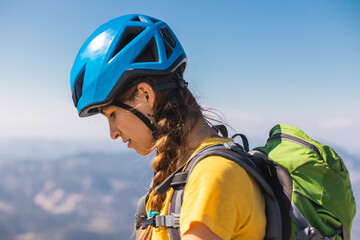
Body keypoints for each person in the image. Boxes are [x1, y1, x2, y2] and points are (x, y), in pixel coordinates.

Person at [70, 14, 266, 240]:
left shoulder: (212, 177)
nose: (112, 132)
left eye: (112, 114)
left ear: (146, 95)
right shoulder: (187, 170)